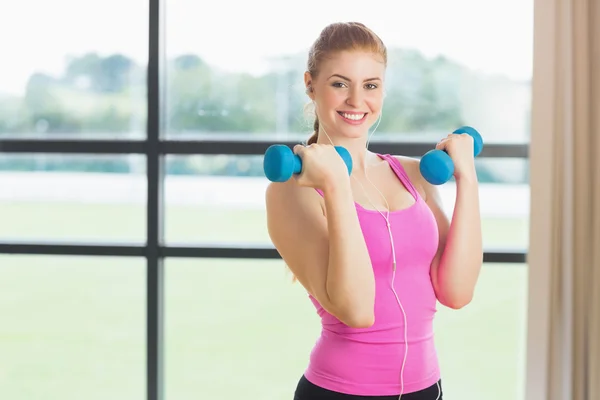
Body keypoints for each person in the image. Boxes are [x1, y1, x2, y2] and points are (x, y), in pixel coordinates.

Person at [265, 21, 483, 400]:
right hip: (340, 392)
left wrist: (468, 180)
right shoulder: (293, 189)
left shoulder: (412, 174)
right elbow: (357, 310)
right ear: (310, 84)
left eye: (370, 85)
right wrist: (334, 186)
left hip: (426, 389)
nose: (355, 100)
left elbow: (457, 291)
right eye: (339, 83)